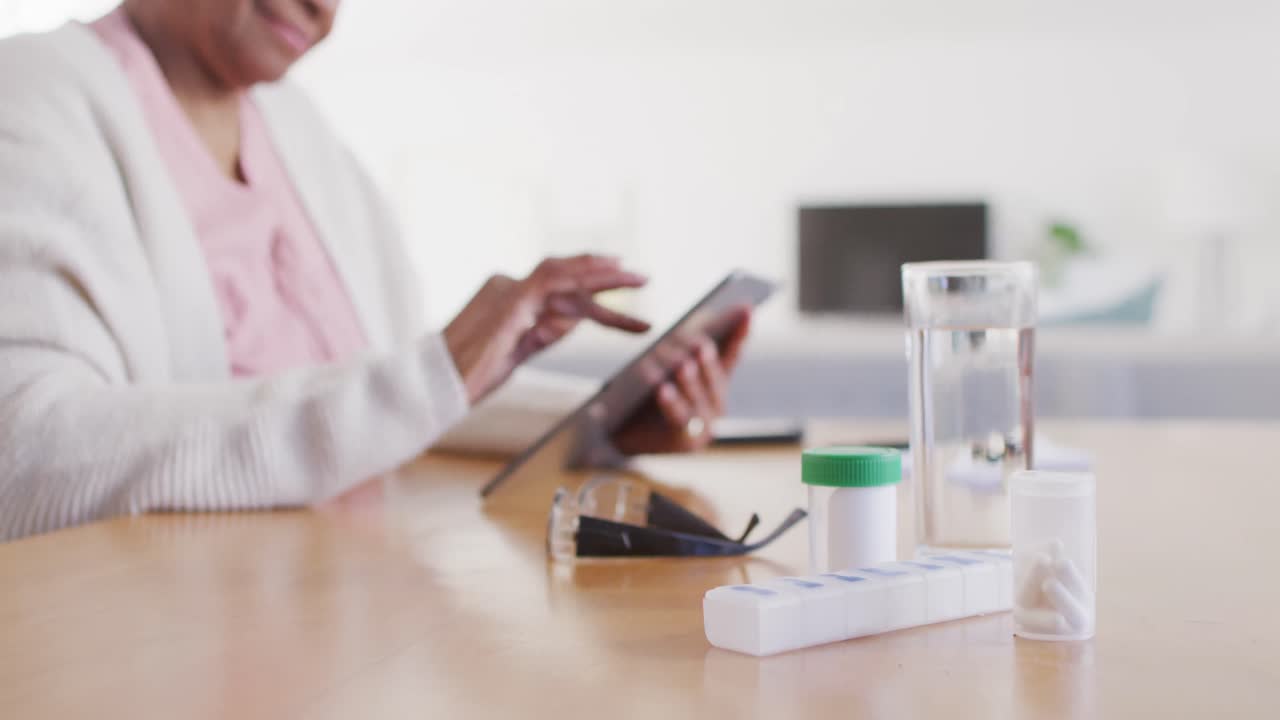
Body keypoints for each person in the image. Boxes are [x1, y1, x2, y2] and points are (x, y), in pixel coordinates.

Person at [0, 0, 752, 541]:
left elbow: (379, 403)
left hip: (351, 610)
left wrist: (599, 424)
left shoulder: (301, 135)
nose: (324, 10)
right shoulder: (33, 95)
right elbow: (26, 456)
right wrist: (432, 372)